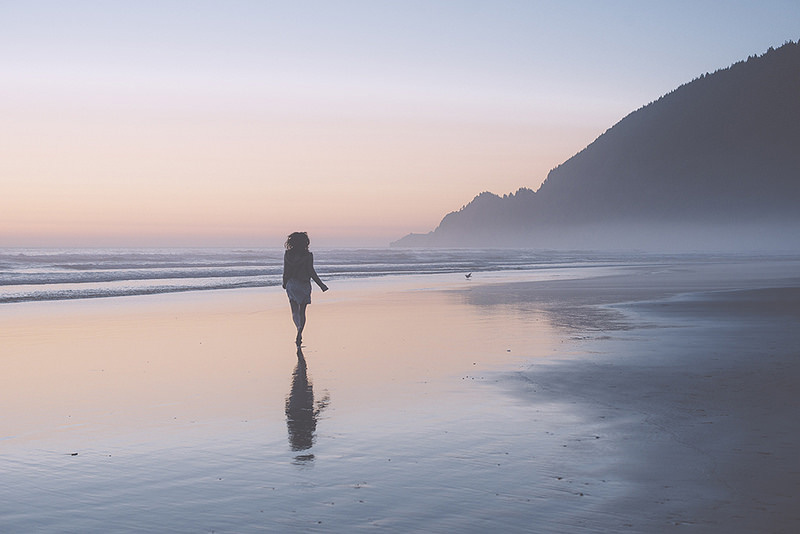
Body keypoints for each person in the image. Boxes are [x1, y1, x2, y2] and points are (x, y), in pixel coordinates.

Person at [282, 231, 328, 346]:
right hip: (304, 284)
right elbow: (311, 272)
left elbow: (286, 271)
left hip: (291, 284)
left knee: (294, 311)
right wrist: (321, 285)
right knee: (302, 312)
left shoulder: (288, 254)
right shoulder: (308, 256)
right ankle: (300, 331)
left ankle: (297, 327)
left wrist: (284, 283)